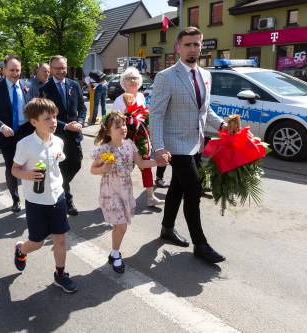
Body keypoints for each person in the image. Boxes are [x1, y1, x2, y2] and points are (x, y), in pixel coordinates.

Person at [150, 27, 227, 264]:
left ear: (201, 46)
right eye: (188, 44)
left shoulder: (206, 75)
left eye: (197, 44)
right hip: (175, 145)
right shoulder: (166, 77)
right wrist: (160, 148)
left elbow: (205, 110)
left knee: (178, 188)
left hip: (196, 143)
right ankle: (200, 244)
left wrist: (223, 126)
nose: (193, 48)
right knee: (193, 191)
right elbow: (156, 115)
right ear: (178, 47)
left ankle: (166, 228)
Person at [11, 98, 78, 293]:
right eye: (47, 118)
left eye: (55, 117)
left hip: (58, 197)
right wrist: (27, 175)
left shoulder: (58, 141)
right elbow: (15, 170)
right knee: (38, 242)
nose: (54, 121)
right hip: (36, 201)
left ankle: (60, 275)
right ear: (34, 122)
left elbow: (58, 162)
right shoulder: (25, 144)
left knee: (60, 239)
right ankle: (21, 249)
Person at [91, 112, 157, 273]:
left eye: (124, 125)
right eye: (118, 126)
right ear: (108, 131)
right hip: (110, 192)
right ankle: (115, 255)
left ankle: (114, 253)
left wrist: (158, 161)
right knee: (121, 226)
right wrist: (103, 168)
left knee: (121, 226)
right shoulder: (104, 149)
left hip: (125, 191)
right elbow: (93, 169)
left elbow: (141, 163)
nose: (123, 128)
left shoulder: (130, 144)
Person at [0, 55, 34, 212]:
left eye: (18, 70)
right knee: (12, 167)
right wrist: (1, 126)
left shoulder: (28, 86)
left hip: (26, 131)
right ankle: (15, 199)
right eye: (12, 70)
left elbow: (34, 109)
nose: (15, 73)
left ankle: (32, 198)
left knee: (30, 166)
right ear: (5, 70)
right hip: (7, 134)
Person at [39, 55, 86, 216]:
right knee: (60, 167)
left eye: (63, 68)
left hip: (74, 135)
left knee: (76, 164)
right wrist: (65, 125)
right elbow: (44, 115)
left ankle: (57, 186)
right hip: (55, 136)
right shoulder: (45, 89)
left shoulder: (74, 85)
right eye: (57, 68)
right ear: (51, 70)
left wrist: (80, 122)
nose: (61, 71)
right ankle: (67, 200)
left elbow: (82, 107)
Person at [112, 68, 164, 207]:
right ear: (124, 82)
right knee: (124, 169)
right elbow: (115, 122)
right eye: (129, 79)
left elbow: (146, 115)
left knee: (146, 167)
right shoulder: (119, 100)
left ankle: (150, 197)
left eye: (135, 78)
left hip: (141, 138)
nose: (133, 81)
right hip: (126, 139)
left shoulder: (141, 97)